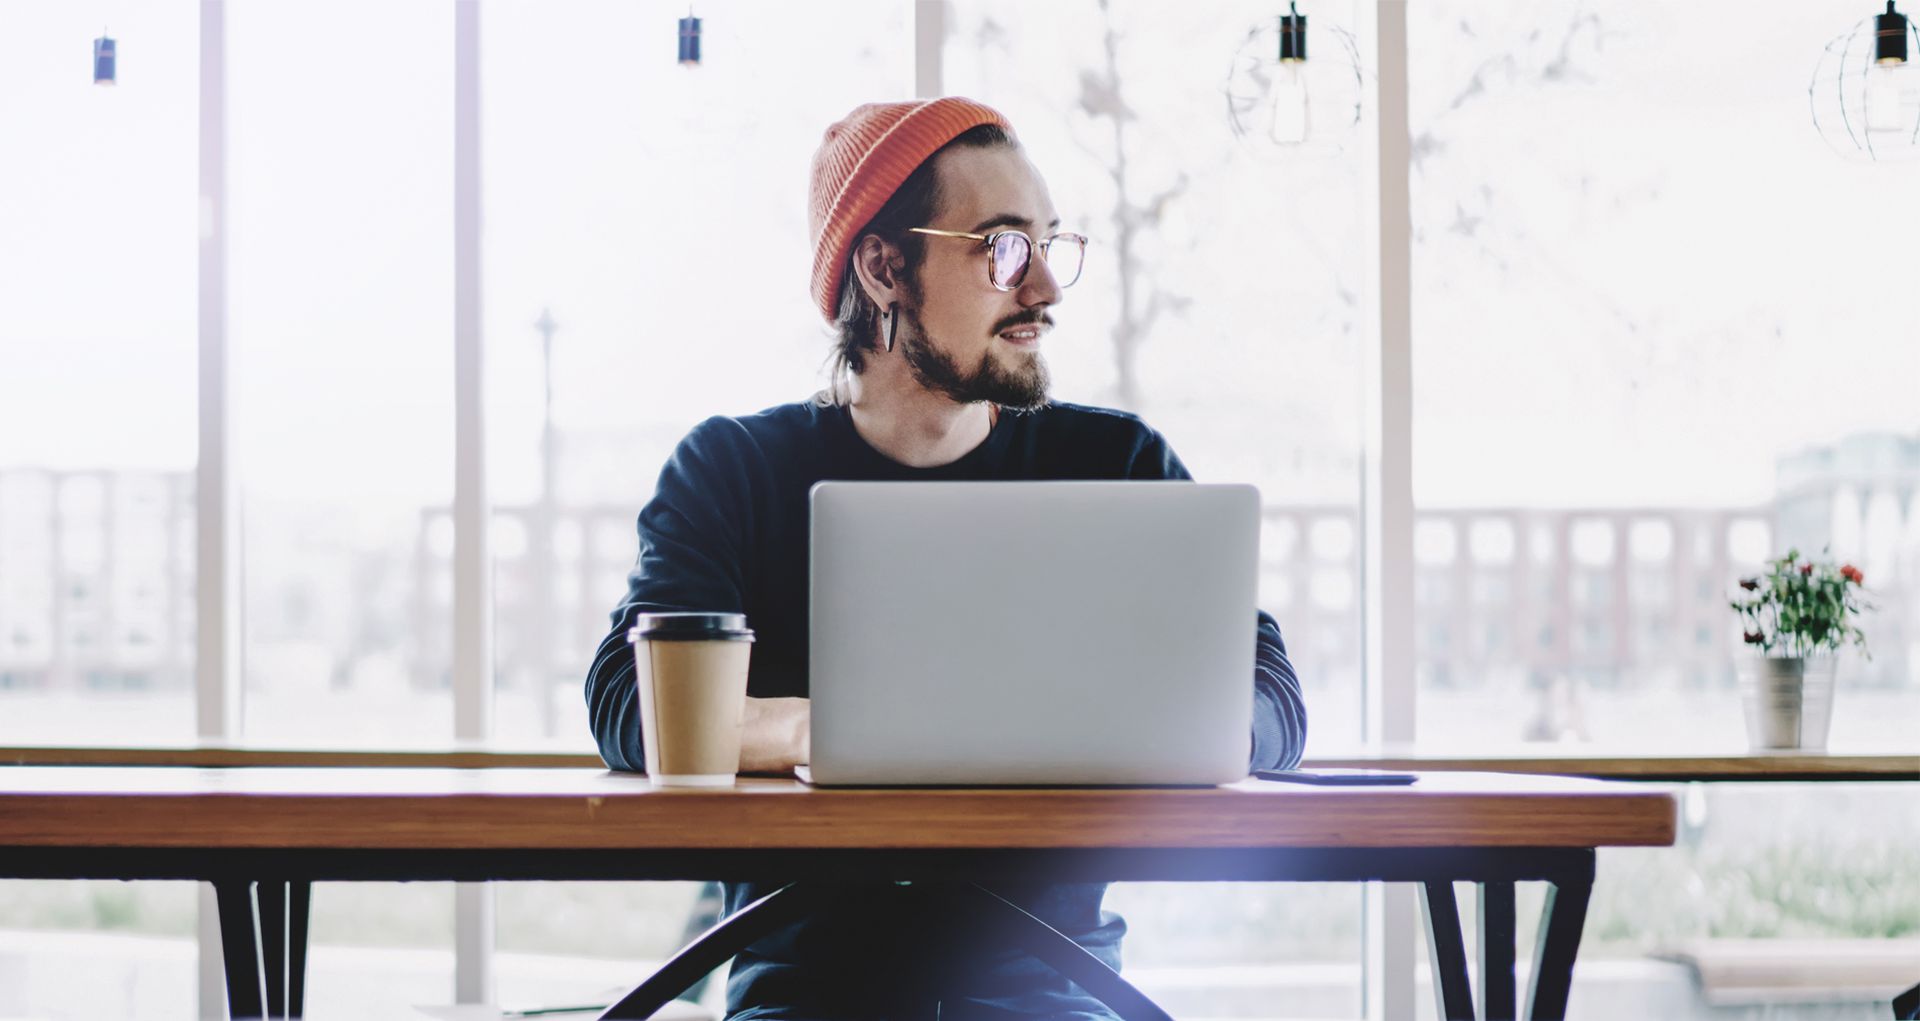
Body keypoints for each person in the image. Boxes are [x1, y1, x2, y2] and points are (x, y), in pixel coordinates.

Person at [585, 96, 1308, 1021]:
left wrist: (1188, 734)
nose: (1045, 287)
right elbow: (626, 701)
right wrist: (827, 735)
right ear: (886, 268)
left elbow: (1274, 699)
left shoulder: (1115, 467)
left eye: (1051, 244)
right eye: (1003, 247)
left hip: (1060, 993)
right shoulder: (734, 472)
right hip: (806, 996)